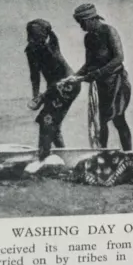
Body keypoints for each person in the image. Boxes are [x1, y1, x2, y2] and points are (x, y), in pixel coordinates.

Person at [62, 3, 132, 151]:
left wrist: (97, 73)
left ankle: (129, 154)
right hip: (101, 84)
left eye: (82, 22)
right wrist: (73, 77)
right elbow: (89, 64)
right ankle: (102, 154)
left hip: (117, 82)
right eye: (79, 23)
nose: (81, 26)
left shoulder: (109, 31)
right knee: (101, 121)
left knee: (119, 119)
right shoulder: (88, 38)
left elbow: (119, 58)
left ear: (92, 19)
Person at [25, 18, 81, 161]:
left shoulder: (50, 48)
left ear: (43, 37)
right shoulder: (31, 50)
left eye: (35, 37)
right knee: (52, 123)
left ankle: (43, 156)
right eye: (30, 36)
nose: (31, 39)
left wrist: (42, 97)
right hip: (56, 87)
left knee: (47, 120)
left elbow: (58, 81)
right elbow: (34, 75)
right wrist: (36, 96)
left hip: (67, 86)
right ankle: (64, 157)